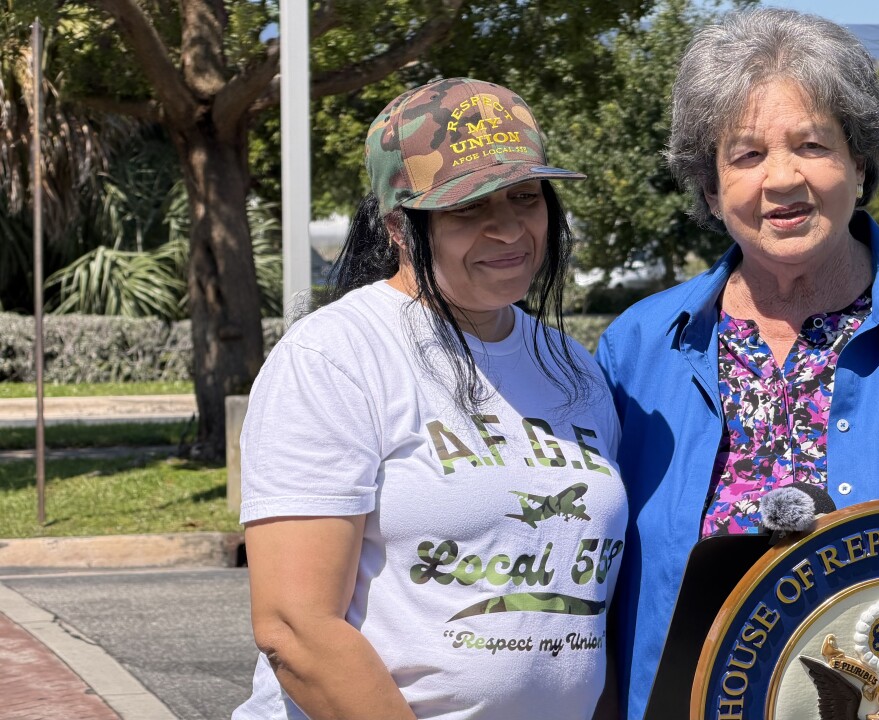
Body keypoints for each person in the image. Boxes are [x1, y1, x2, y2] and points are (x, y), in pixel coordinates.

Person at [593, 9, 879, 718]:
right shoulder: (638, 349)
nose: (782, 179)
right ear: (711, 189)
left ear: (859, 164)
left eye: (813, 145)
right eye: (746, 155)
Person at [234, 78, 626, 720]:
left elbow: (589, 619)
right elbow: (295, 628)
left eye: (524, 197)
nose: (508, 229)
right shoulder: (337, 357)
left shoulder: (572, 369)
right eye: (468, 208)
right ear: (399, 226)